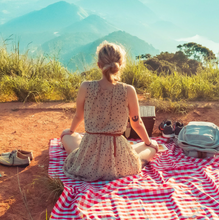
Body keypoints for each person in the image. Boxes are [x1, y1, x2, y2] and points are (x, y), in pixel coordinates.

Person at [60, 41, 159, 181]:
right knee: (150, 146)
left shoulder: (85, 87)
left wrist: (70, 131)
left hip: (89, 153)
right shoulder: (128, 90)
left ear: (99, 65)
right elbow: (137, 124)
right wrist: (149, 143)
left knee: (67, 136)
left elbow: (78, 116)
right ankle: (149, 147)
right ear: (120, 65)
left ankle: (74, 142)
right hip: (117, 156)